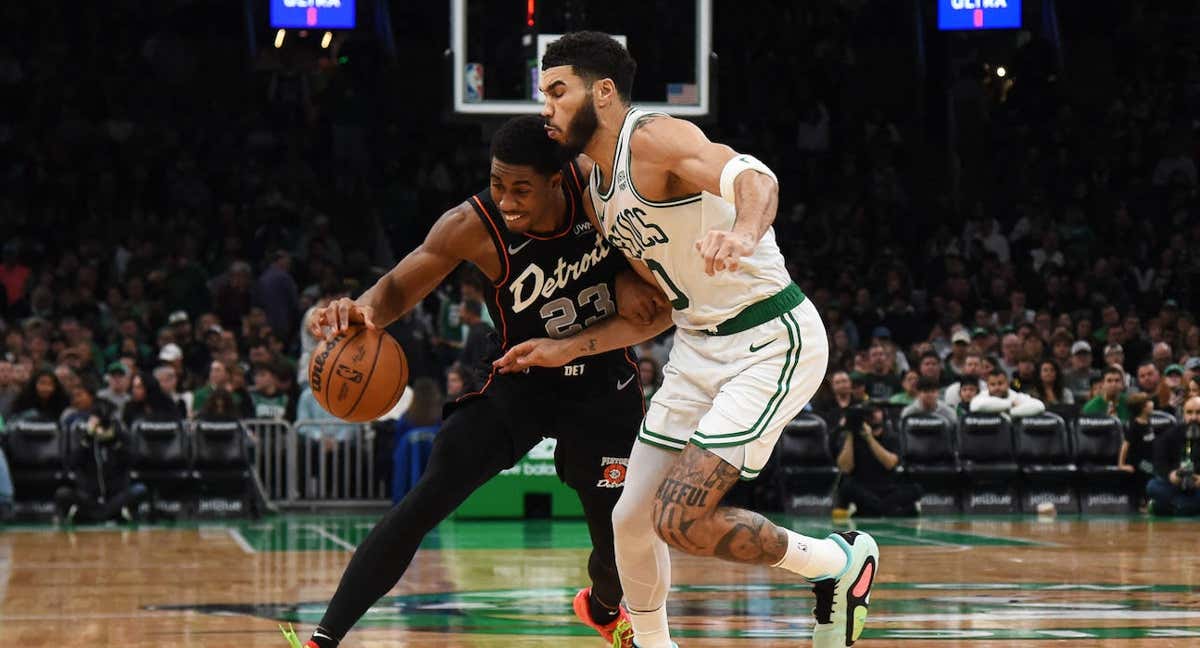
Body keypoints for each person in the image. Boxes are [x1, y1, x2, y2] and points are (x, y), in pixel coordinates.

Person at [498, 32, 878, 648]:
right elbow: (655, 313)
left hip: (768, 337)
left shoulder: (655, 138)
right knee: (630, 519)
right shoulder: (596, 187)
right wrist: (566, 347)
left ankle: (836, 563)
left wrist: (746, 234)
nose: (546, 106)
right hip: (697, 347)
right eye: (544, 93)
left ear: (602, 92)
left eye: (557, 91)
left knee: (678, 519)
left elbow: (756, 179)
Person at [282, 115, 656, 648]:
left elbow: (655, 284)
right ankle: (324, 639)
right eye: (498, 184)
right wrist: (359, 311)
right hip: (514, 375)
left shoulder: (602, 192)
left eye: (521, 188)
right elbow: (395, 289)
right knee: (427, 498)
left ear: (558, 179)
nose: (506, 200)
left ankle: (601, 607)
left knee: (619, 537)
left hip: (599, 380)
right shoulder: (471, 224)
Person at [835, 404, 922, 516]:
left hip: (887, 486)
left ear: (883, 413)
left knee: (914, 489)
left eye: (876, 411)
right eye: (869, 413)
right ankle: (886, 509)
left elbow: (890, 464)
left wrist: (869, 438)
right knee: (847, 487)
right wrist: (851, 434)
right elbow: (845, 468)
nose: (873, 415)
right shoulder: (850, 438)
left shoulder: (891, 436)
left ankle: (876, 508)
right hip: (863, 486)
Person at [1145, 395, 1200, 515]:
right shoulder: (1171, 434)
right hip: (1175, 485)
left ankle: (1171, 507)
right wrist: (1171, 475)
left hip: (1198, 486)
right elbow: (1159, 462)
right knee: (1152, 486)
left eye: (1198, 412)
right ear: (1184, 414)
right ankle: (1185, 507)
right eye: (1189, 413)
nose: (1194, 417)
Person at [1119, 393, 1157, 510]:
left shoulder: (1148, 422)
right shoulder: (1134, 425)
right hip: (1138, 461)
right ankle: (1143, 503)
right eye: (1149, 402)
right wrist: (1122, 464)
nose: (1152, 403)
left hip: (1149, 458)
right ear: (1143, 407)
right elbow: (1125, 446)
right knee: (1151, 471)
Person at [969, 369, 1046, 418]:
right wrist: (1009, 405)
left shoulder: (1015, 396)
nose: (997, 387)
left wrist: (1010, 412)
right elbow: (975, 406)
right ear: (987, 386)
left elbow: (1040, 406)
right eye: (993, 384)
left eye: (1000, 383)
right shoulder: (983, 395)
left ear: (1008, 384)